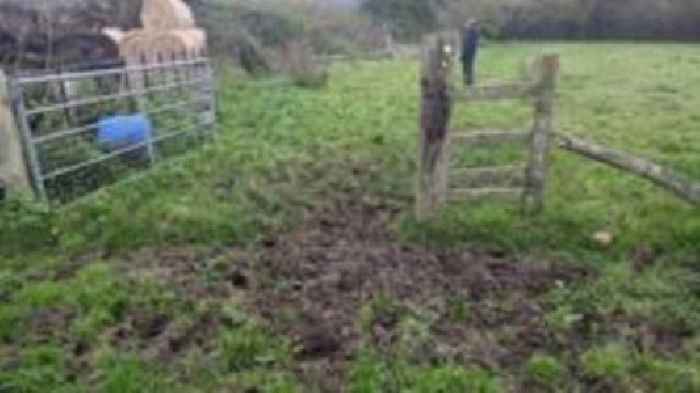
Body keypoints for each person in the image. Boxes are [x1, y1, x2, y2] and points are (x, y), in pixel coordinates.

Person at [461, 19, 481, 87]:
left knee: (467, 68)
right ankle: (468, 82)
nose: (467, 26)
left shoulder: (471, 34)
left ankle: (468, 82)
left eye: (469, 24)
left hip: (468, 53)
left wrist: (463, 54)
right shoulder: (473, 33)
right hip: (470, 53)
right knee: (469, 68)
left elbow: (467, 45)